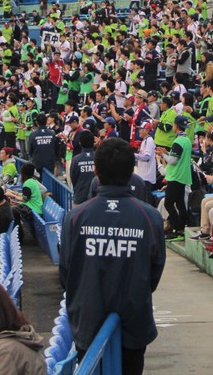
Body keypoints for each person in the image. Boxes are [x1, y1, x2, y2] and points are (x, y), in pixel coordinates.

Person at [60, 138, 165, 375]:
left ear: (96, 171)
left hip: (87, 319)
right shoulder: (149, 216)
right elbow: (155, 271)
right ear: (131, 171)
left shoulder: (76, 217)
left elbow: (66, 271)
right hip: (133, 316)